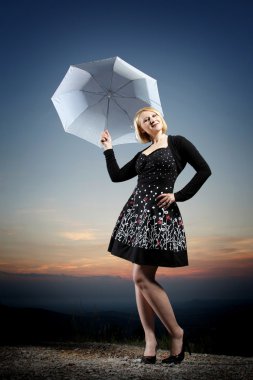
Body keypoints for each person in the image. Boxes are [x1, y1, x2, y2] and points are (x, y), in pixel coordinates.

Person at [100, 107, 211, 365]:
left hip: (160, 218)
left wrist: (178, 195)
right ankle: (150, 341)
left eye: (153, 115)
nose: (151, 120)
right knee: (139, 278)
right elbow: (117, 176)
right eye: (145, 120)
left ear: (161, 119)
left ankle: (176, 333)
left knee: (140, 276)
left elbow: (204, 170)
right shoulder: (142, 153)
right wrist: (107, 148)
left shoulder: (178, 143)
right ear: (142, 129)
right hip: (137, 216)